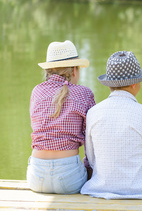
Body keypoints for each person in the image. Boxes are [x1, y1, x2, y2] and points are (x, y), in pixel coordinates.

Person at [80, 51, 142, 200]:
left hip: (100, 189)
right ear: (134, 84)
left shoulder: (93, 113)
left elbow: (92, 158)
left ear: (109, 84)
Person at [27, 40, 95, 194]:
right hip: (70, 177)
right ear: (75, 71)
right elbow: (91, 138)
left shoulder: (36, 92)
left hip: (36, 177)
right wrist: (89, 168)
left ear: (48, 71)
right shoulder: (84, 93)